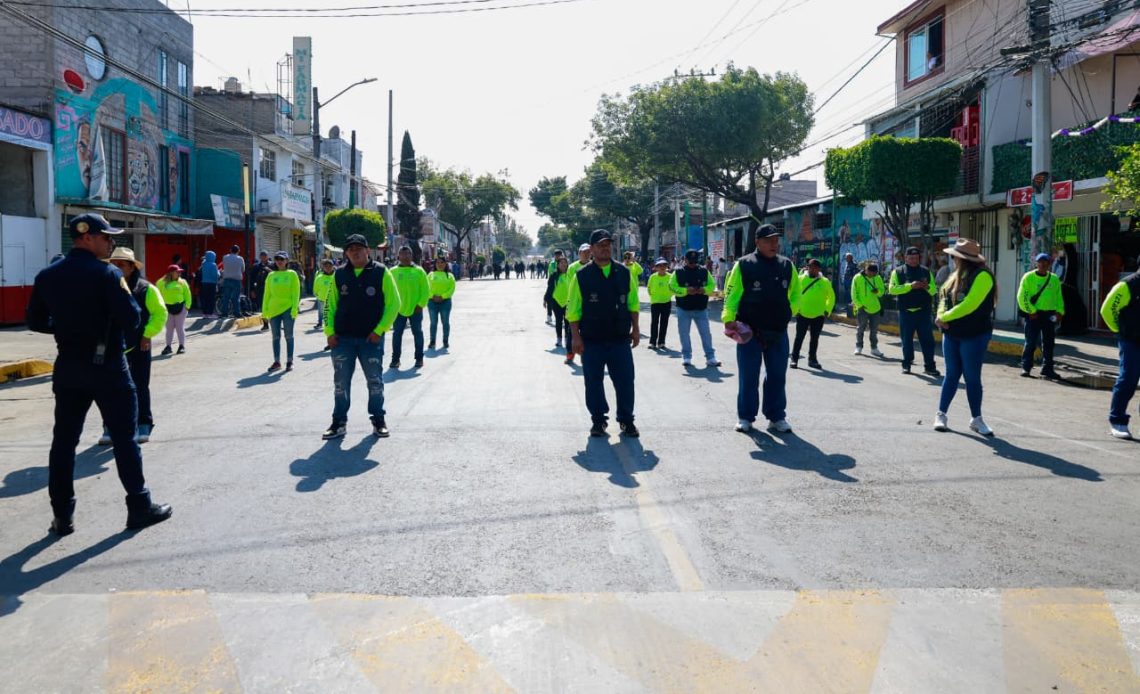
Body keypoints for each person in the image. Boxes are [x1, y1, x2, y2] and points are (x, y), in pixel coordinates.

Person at [24, 213, 172, 535]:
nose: (111, 243)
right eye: (107, 237)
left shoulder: (48, 275)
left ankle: (62, 516)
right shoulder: (107, 274)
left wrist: (66, 329)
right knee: (124, 439)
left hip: (69, 367)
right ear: (88, 237)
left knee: (63, 442)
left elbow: (35, 320)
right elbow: (132, 319)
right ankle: (139, 506)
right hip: (108, 368)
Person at [322, 234, 401, 439]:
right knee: (341, 383)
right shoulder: (339, 275)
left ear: (368, 250)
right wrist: (329, 333)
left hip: (370, 339)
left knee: (375, 381)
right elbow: (330, 305)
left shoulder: (381, 273)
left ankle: (378, 419)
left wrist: (379, 330)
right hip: (342, 340)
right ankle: (338, 422)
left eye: (359, 248)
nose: (355, 252)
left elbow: (394, 304)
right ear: (346, 253)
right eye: (350, 249)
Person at [723, 224, 800, 433]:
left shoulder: (787, 265)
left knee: (777, 375)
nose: (774, 244)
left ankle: (776, 416)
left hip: (778, 331)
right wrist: (728, 318)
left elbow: (796, 295)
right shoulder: (744, 265)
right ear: (757, 242)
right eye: (768, 240)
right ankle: (745, 417)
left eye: (776, 240)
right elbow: (731, 296)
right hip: (750, 332)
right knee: (749, 376)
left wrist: (787, 313)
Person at [568, 230, 640, 438]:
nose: (605, 248)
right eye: (600, 245)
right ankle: (598, 421)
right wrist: (576, 336)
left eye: (608, 244)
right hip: (592, 339)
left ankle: (627, 420)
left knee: (625, 381)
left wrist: (635, 329)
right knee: (593, 381)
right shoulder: (581, 276)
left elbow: (633, 303)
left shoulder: (623, 272)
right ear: (591, 249)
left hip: (619, 338)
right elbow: (573, 309)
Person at [103, 248, 167, 445]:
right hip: (111, 347)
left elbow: (160, 313)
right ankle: (109, 428)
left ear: (131, 267)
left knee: (139, 386)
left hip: (139, 346)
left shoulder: (146, 289)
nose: (116, 268)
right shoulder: (105, 287)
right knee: (109, 390)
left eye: (121, 265)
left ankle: (143, 423)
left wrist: (147, 335)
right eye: (113, 264)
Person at [933, 238, 996, 436]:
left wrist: (945, 317)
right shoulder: (955, 276)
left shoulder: (983, 276)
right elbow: (943, 297)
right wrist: (940, 315)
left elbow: (970, 304)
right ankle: (941, 414)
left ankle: (976, 418)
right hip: (952, 333)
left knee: (972, 377)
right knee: (951, 375)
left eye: (955, 257)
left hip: (974, 334)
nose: (953, 260)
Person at [1099, 269, 1140, 439]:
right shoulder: (1127, 285)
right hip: (1131, 340)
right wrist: (1119, 330)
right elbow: (1107, 309)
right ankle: (1118, 421)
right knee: (1128, 378)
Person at [889, 246, 941, 376]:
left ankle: (929, 366)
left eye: (916, 258)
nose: (913, 260)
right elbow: (892, 289)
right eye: (910, 258)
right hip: (906, 312)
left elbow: (934, 290)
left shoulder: (926, 271)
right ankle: (907, 364)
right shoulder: (898, 272)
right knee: (906, 340)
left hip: (923, 312)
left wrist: (926, 286)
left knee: (927, 340)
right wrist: (909, 286)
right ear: (905, 258)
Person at [1017, 252, 1065, 379]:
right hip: (1034, 315)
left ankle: (1047, 369)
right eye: (1040, 262)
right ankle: (1026, 367)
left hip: (1049, 314)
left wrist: (1060, 311)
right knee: (1031, 342)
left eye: (1046, 262)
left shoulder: (1054, 279)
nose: (1043, 264)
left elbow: (1058, 297)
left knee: (1049, 343)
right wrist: (1031, 311)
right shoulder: (1028, 278)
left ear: (1049, 264)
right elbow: (1022, 297)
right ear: (1036, 263)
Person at [670, 249, 720, 368]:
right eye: (690, 261)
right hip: (684, 308)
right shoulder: (678, 272)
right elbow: (671, 287)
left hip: (701, 308)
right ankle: (687, 356)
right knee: (684, 334)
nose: (693, 264)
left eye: (695, 261)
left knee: (706, 334)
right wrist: (685, 291)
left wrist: (704, 290)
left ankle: (710, 357)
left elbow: (712, 285)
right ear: (685, 260)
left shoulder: (704, 271)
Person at [390, 245, 430, 369]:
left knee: (417, 333)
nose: (405, 256)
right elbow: (388, 290)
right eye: (402, 254)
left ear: (411, 256)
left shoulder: (419, 271)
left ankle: (419, 358)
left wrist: (421, 304)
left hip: (416, 309)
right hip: (398, 310)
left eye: (408, 254)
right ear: (398, 256)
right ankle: (395, 359)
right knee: (397, 334)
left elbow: (426, 290)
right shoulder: (392, 272)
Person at [791, 258, 834, 370]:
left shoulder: (825, 281)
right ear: (807, 267)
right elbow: (792, 294)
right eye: (811, 267)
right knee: (799, 338)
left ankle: (812, 360)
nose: (813, 270)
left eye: (816, 268)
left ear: (819, 269)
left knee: (814, 339)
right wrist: (795, 309)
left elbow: (831, 297)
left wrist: (827, 310)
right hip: (802, 313)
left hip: (818, 315)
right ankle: (794, 359)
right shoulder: (800, 279)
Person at [262, 251, 301, 372]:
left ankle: (289, 361)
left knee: (289, 336)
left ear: (286, 261)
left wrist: (295, 308)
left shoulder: (292, 274)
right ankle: (277, 362)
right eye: (277, 259)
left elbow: (296, 292)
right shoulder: (271, 275)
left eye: (282, 259)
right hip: (274, 310)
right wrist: (265, 311)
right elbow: (267, 294)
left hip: (288, 309)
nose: (279, 261)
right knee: (276, 337)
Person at [564, 243, 593, 365]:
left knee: (588, 332)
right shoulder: (572, 267)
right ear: (579, 253)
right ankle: (570, 354)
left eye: (588, 252)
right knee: (571, 332)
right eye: (584, 252)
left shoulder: (594, 266)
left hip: (590, 305)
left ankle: (587, 356)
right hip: (574, 304)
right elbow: (570, 286)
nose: (586, 254)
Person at [851, 262, 885, 357]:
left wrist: (877, 291)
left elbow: (882, 292)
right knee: (860, 329)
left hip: (875, 308)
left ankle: (874, 348)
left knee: (874, 330)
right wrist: (859, 305)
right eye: (870, 273)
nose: (872, 275)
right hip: (862, 308)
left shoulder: (877, 278)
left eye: (874, 273)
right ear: (866, 270)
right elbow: (854, 293)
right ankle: (859, 347)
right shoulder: (857, 278)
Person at [158, 265, 192, 355]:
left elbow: (187, 295)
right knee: (169, 329)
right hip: (167, 308)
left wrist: (187, 306)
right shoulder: (161, 282)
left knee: (179, 328)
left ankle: (181, 346)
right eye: (177, 272)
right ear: (171, 273)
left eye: (179, 272)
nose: (179, 273)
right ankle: (168, 346)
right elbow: (157, 295)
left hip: (180, 308)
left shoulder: (182, 282)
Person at [427, 255, 456, 350]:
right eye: (438, 262)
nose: (440, 264)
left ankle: (445, 340)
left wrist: (442, 297)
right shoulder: (430, 275)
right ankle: (432, 341)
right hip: (432, 302)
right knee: (433, 323)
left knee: (445, 322)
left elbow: (452, 289)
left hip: (445, 302)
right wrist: (432, 296)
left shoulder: (450, 276)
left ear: (445, 264)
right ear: (435, 264)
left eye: (442, 262)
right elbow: (426, 288)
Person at [545, 256, 572, 352]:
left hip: (568, 302)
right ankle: (559, 339)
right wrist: (546, 300)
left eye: (565, 263)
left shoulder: (571, 274)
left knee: (568, 322)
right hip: (556, 302)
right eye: (561, 263)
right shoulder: (554, 275)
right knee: (558, 321)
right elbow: (550, 289)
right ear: (558, 265)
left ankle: (567, 339)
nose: (564, 265)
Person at [647, 258, 673, 349]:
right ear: (656, 267)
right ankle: (652, 342)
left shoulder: (670, 276)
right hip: (655, 303)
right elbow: (649, 288)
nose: (662, 267)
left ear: (667, 266)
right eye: (659, 266)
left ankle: (661, 342)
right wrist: (653, 296)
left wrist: (669, 295)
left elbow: (673, 287)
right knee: (654, 322)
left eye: (664, 265)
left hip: (666, 302)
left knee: (664, 323)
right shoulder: (653, 277)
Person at [219, 244, 245, 318]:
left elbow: (223, 266)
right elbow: (243, 269)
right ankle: (236, 313)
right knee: (236, 297)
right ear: (238, 251)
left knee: (226, 297)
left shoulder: (225, 257)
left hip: (227, 279)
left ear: (230, 250)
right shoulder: (240, 259)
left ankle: (224, 313)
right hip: (237, 280)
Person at [313, 258, 336, 333]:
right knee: (321, 312)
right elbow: (315, 287)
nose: (328, 268)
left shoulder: (336, 276)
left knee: (333, 312)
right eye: (326, 266)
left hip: (333, 299)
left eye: (330, 266)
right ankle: (320, 323)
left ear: (333, 266)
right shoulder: (319, 277)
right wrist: (317, 294)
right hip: (322, 298)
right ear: (323, 267)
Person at [198, 250, 219, 318]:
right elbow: (215, 275)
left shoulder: (203, 264)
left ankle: (204, 313)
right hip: (212, 283)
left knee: (205, 298)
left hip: (204, 283)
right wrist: (219, 274)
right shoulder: (213, 265)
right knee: (211, 298)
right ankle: (210, 313)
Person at [546, 250, 564, 324]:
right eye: (556, 255)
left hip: (562, 285)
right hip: (553, 284)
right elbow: (551, 272)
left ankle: (561, 316)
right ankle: (549, 315)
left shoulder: (564, 262)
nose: (558, 256)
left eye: (559, 255)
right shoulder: (552, 264)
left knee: (562, 300)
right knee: (549, 300)